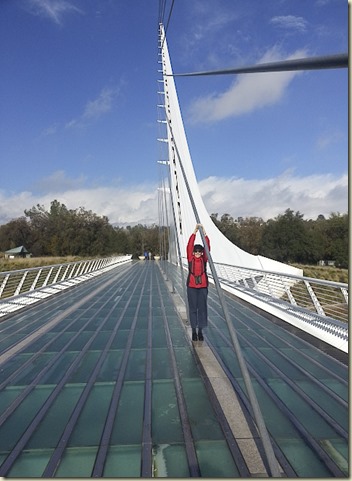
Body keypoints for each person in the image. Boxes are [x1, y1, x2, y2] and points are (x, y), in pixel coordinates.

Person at [186, 223, 210, 341]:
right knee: (193, 309)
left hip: (203, 286)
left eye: (199, 252)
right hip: (192, 286)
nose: (197, 253)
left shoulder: (204, 259)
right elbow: (189, 246)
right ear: (193, 253)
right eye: (195, 252)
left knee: (202, 308)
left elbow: (208, 247)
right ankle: (194, 331)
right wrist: (194, 232)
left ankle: (200, 331)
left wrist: (204, 233)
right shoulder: (191, 259)